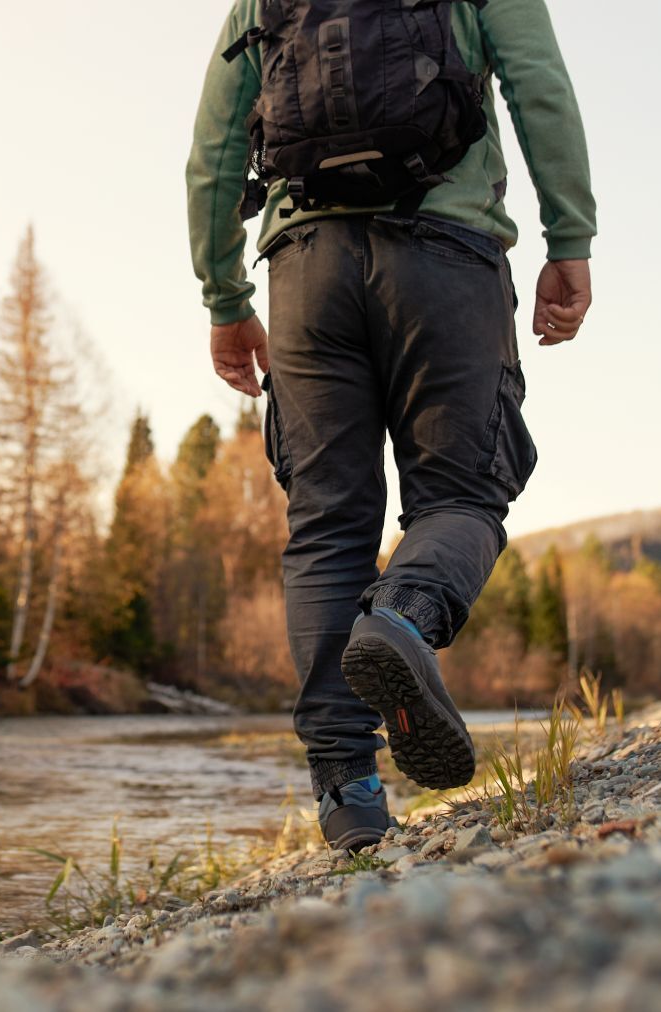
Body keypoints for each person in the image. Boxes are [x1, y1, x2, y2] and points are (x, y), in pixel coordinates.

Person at [185, 0, 596, 852]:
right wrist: (570, 237)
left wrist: (224, 299)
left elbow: (215, 151)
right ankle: (404, 613)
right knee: (463, 497)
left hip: (304, 271)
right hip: (447, 252)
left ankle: (349, 793)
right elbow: (539, 88)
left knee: (328, 524)